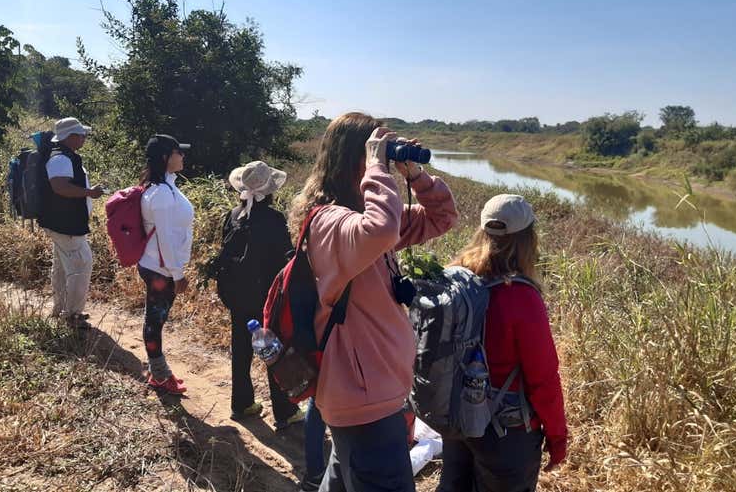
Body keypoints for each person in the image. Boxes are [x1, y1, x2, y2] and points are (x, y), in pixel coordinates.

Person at [288, 112, 458, 492]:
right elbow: (382, 228)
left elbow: (442, 218)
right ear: (356, 159)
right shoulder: (330, 223)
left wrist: (413, 174)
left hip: (368, 394)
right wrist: (378, 167)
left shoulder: (359, 221)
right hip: (365, 401)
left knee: (344, 478)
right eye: (372, 152)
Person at [437, 194, 567, 492]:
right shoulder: (521, 297)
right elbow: (543, 379)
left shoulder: (457, 278)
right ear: (527, 239)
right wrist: (558, 438)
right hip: (507, 433)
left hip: (460, 421)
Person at [219, 161, 305, 429]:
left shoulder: (233, 215)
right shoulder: (274, 219)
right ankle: (286, 411)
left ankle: (242, 404)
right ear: (269, 190)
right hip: (266, 298)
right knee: (275, 351)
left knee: (241, 350)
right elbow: (286, 259)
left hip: (236, 296)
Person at [138, 134, 194, 394]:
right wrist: (177, 273)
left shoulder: (167, 185)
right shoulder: (160, 193)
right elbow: (165, 240)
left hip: (162, 266)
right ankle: (159, 376)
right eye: (177, 152)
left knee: (156, 318)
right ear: (165, 157)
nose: (182, 156)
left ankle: (157, 370)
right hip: (160, 268)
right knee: (155, 320)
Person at [40, 117, 104, 329]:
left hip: (62, 223)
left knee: (61, 266)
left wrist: (88, 192)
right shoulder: (61, 159)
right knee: (81, 265)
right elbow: (60, 187)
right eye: (81, 134)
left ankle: (60, 310)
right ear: (70, 136)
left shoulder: (66, 157)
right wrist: (90, 193)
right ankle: (73, 315)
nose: (84, 137)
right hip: (66, 225)